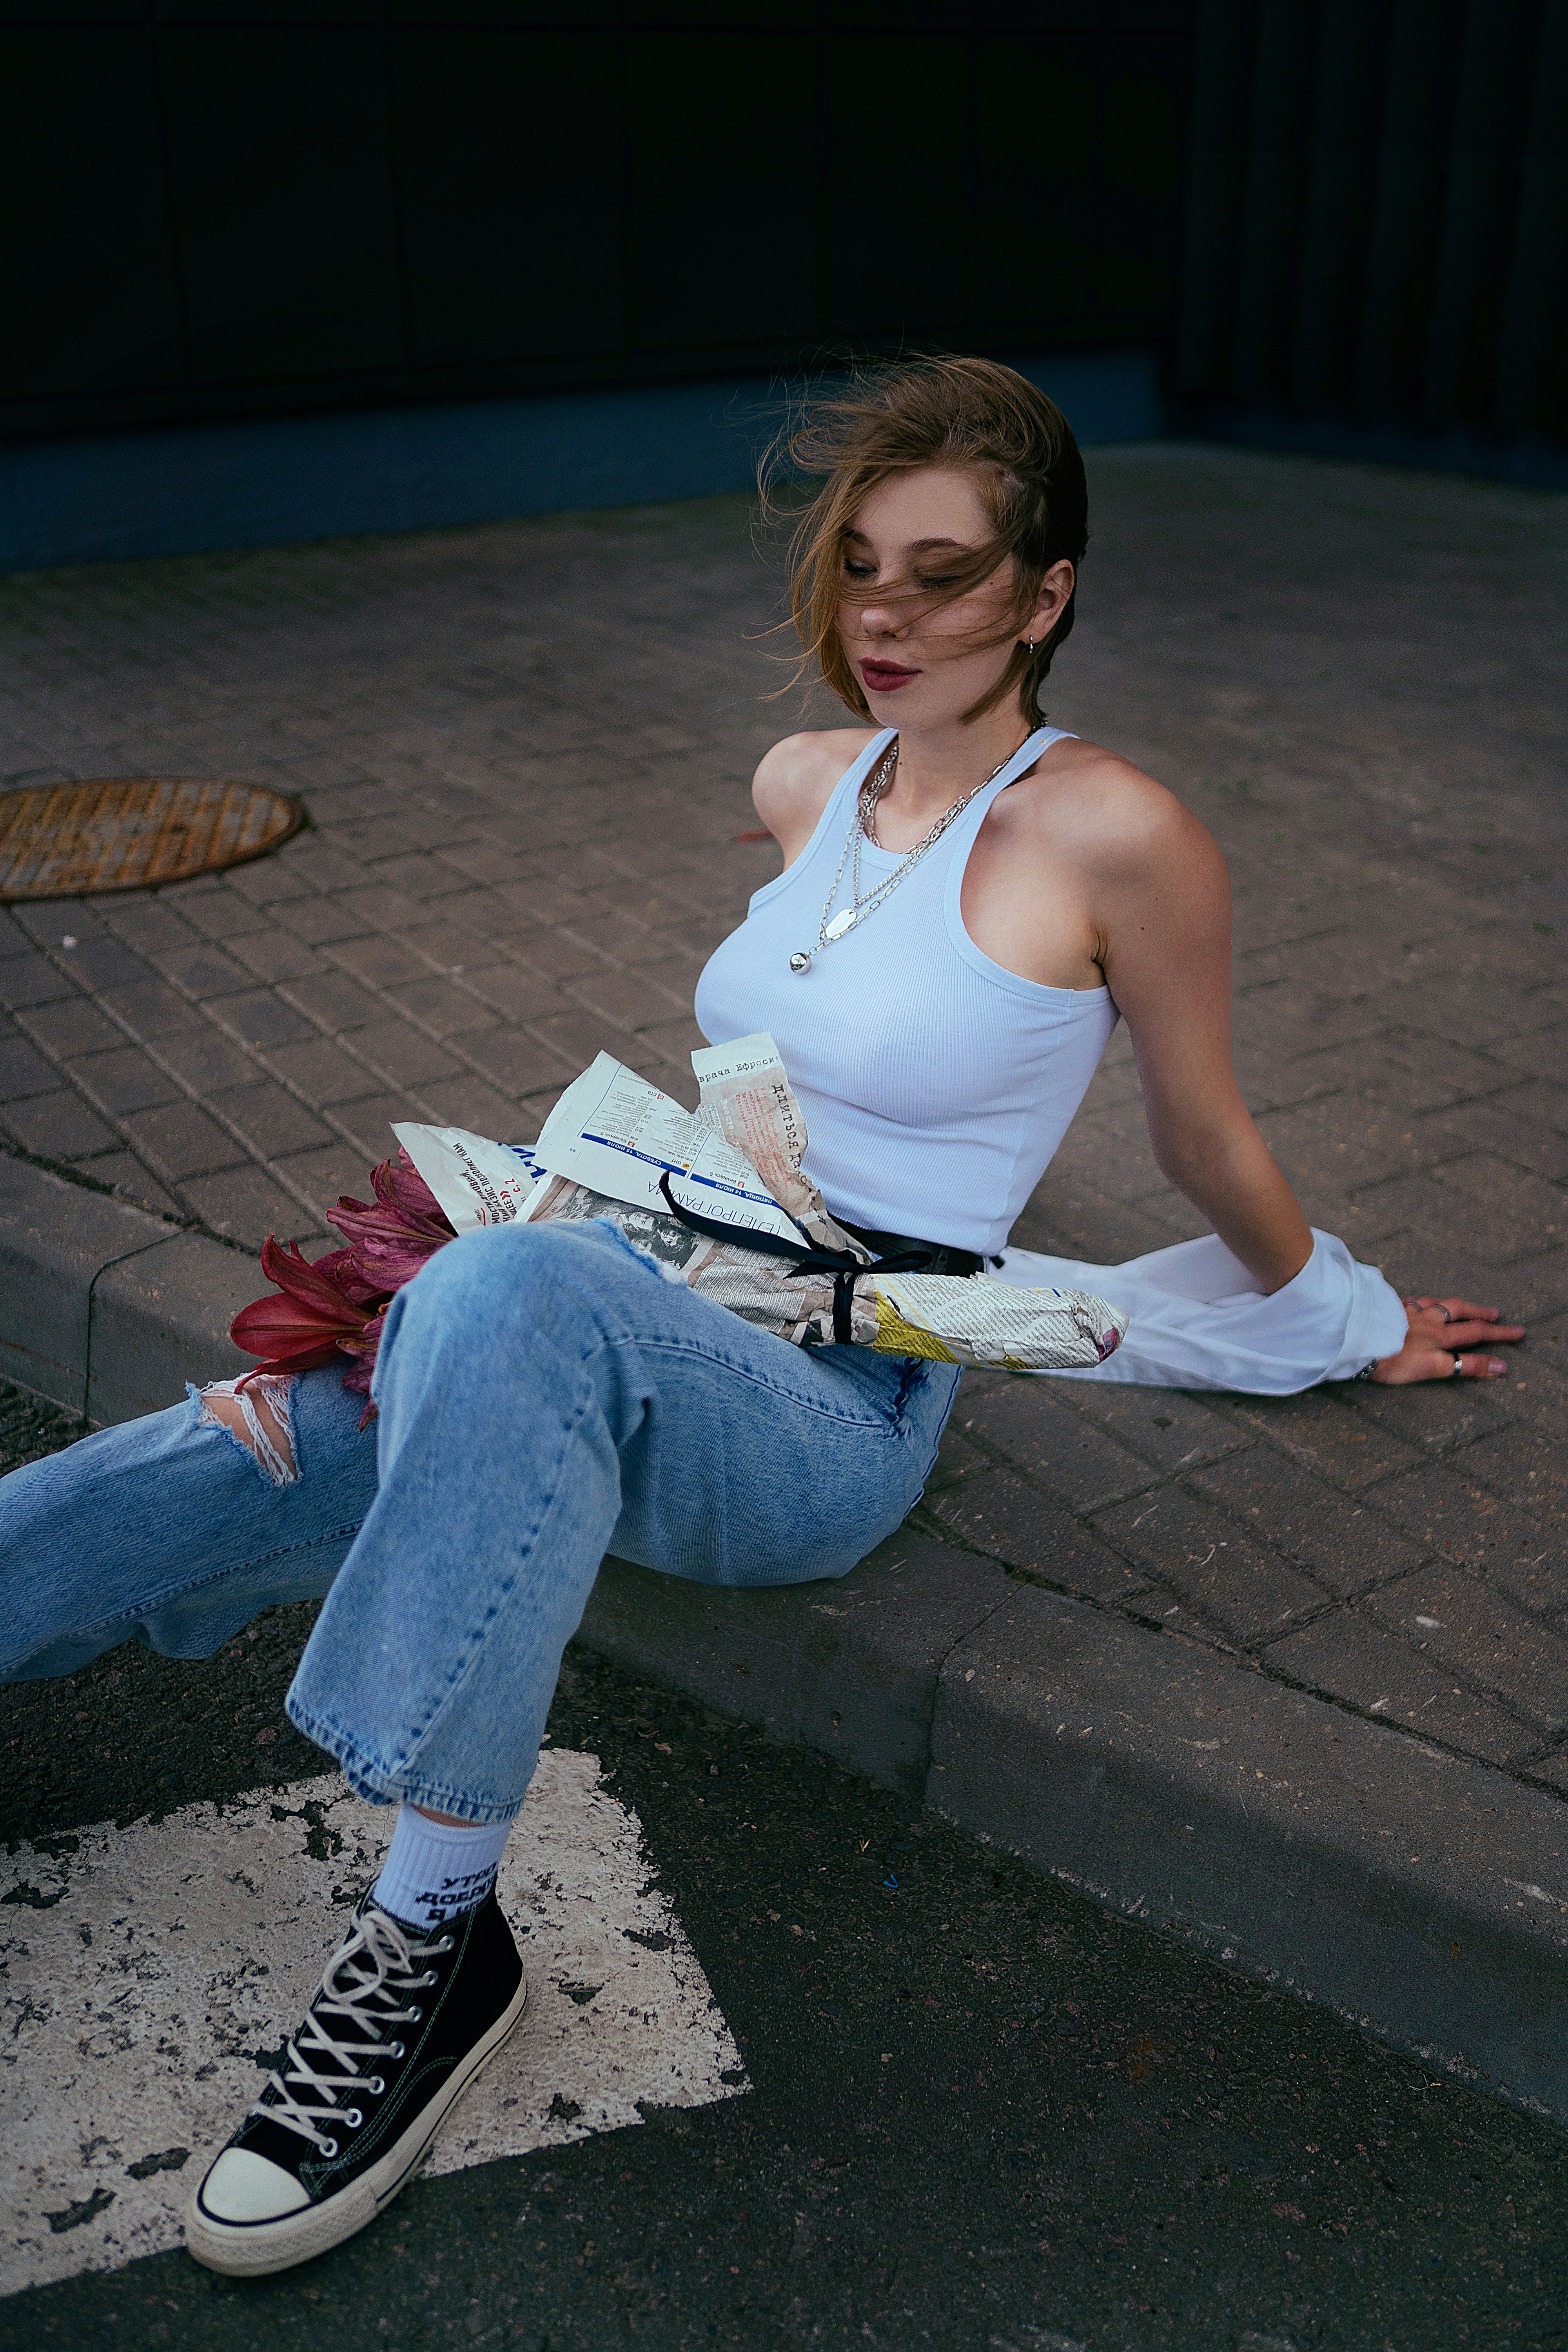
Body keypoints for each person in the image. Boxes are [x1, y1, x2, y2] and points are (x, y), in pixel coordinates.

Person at [0, 357, 1522, 2278]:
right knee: (264, 1435)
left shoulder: (1118, 834)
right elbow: (812, 1013)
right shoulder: (805, 783)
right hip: (644, 1294)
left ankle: (430, 1937)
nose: (887, 617)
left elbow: (1206, 1135)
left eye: (948, 576)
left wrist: (1344, 1317)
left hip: (833, 1411)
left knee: (504, 1295)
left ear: (1045, 594)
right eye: (865, 569)